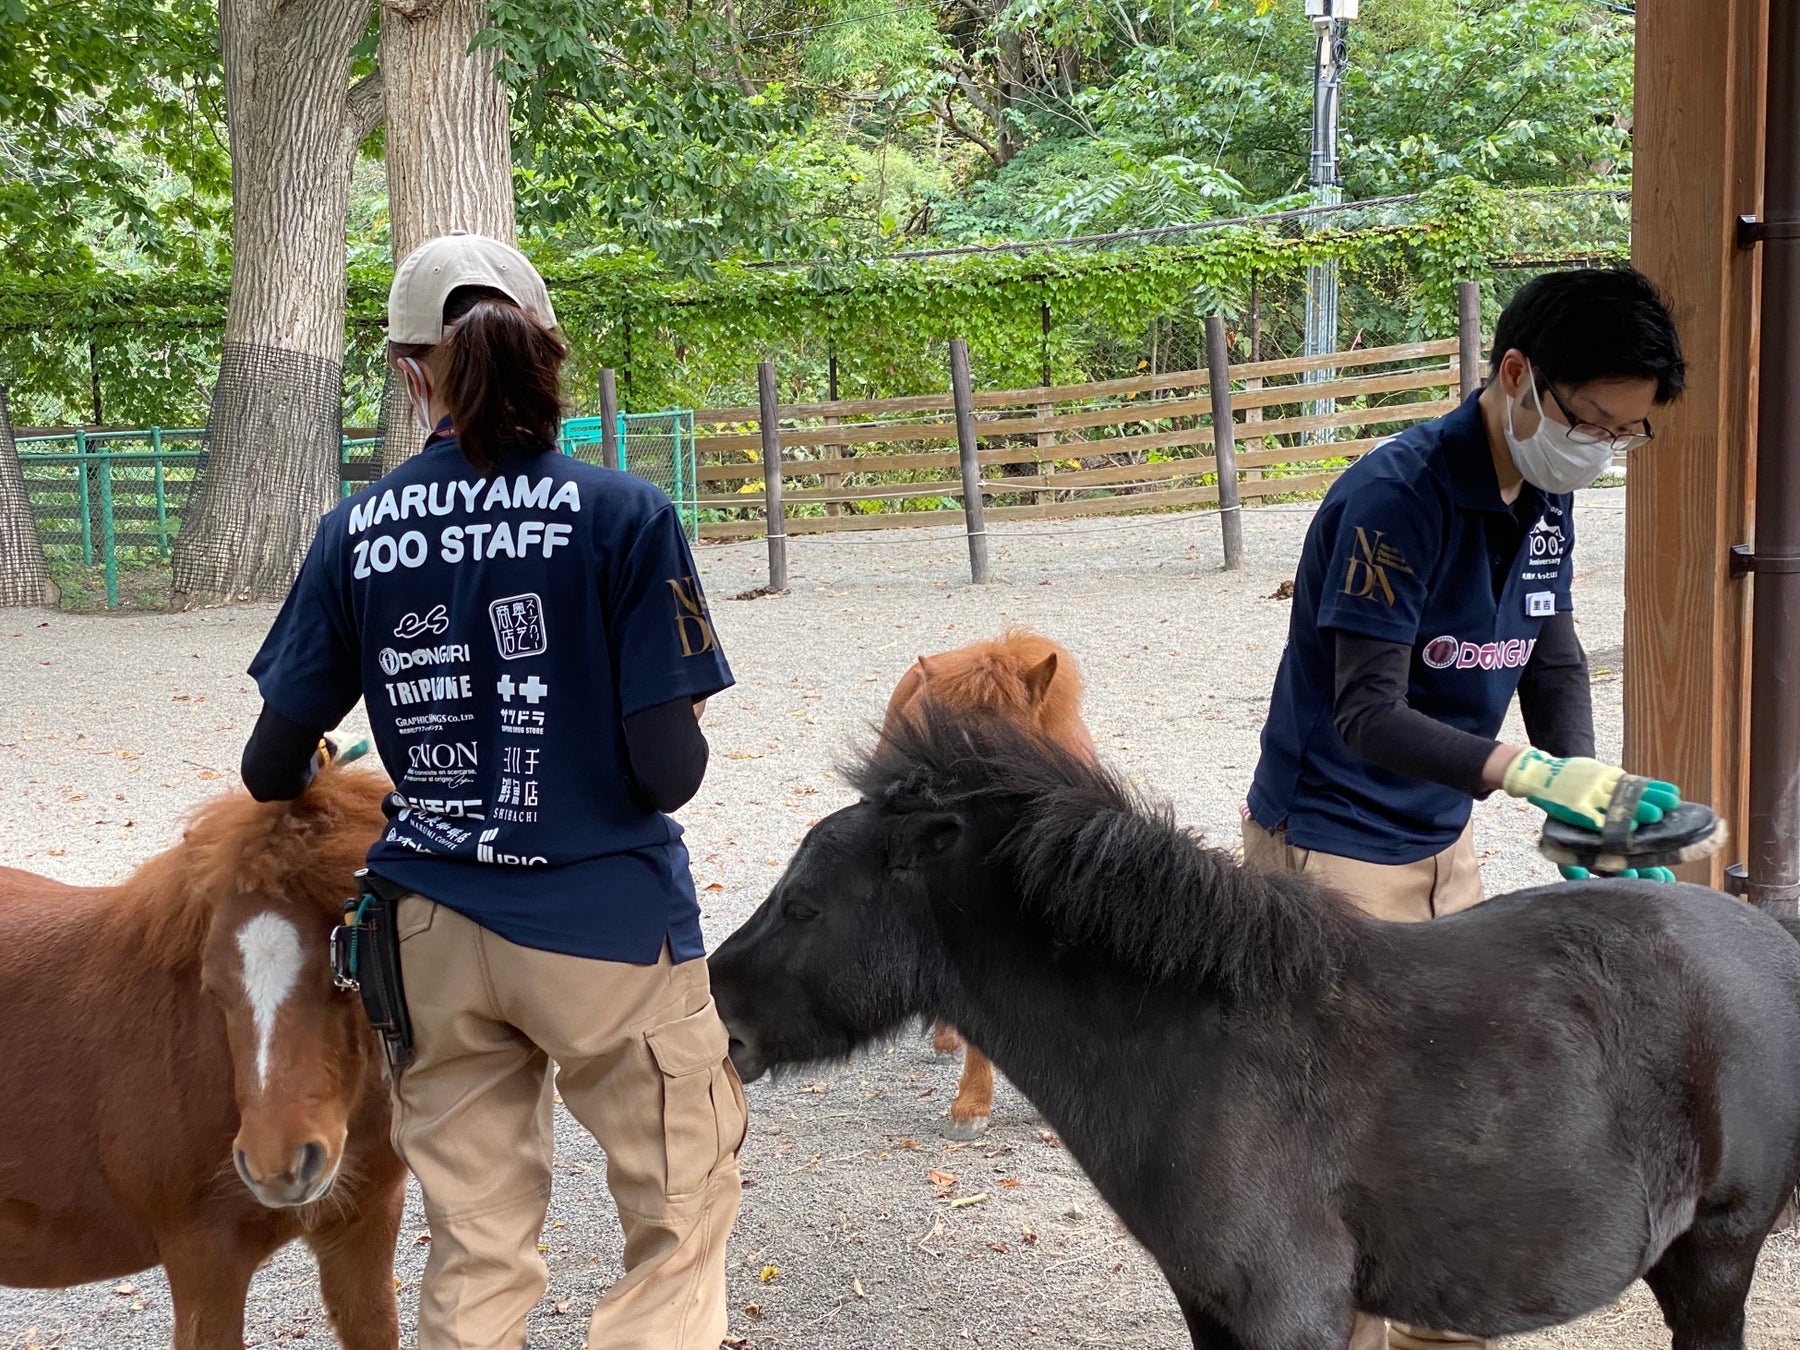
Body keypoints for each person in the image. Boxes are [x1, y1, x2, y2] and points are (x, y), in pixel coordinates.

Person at [240, 232, 745, 1350]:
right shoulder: (625, 516)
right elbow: (672, 774)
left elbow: (268, 767)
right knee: (678, 1209)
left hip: (430, 932)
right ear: (546, 350)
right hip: (606, 928)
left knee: (476, 1238)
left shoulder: (355, 531)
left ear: (411, 372)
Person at [1241, 267, 1688, 1350]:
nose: (1600, 449)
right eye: (1591, 422)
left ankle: (1447, 1329)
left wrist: (1586, 795)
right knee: (1344, 1151)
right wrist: (1531, 778)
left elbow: (1552, 645)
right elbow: (1366, 715)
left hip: (1445, 847)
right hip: (1332, 856)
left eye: (1629, 435)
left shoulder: (1545, 496)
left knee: (1453, 1123)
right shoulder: (1395, 501)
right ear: (1517, 376)